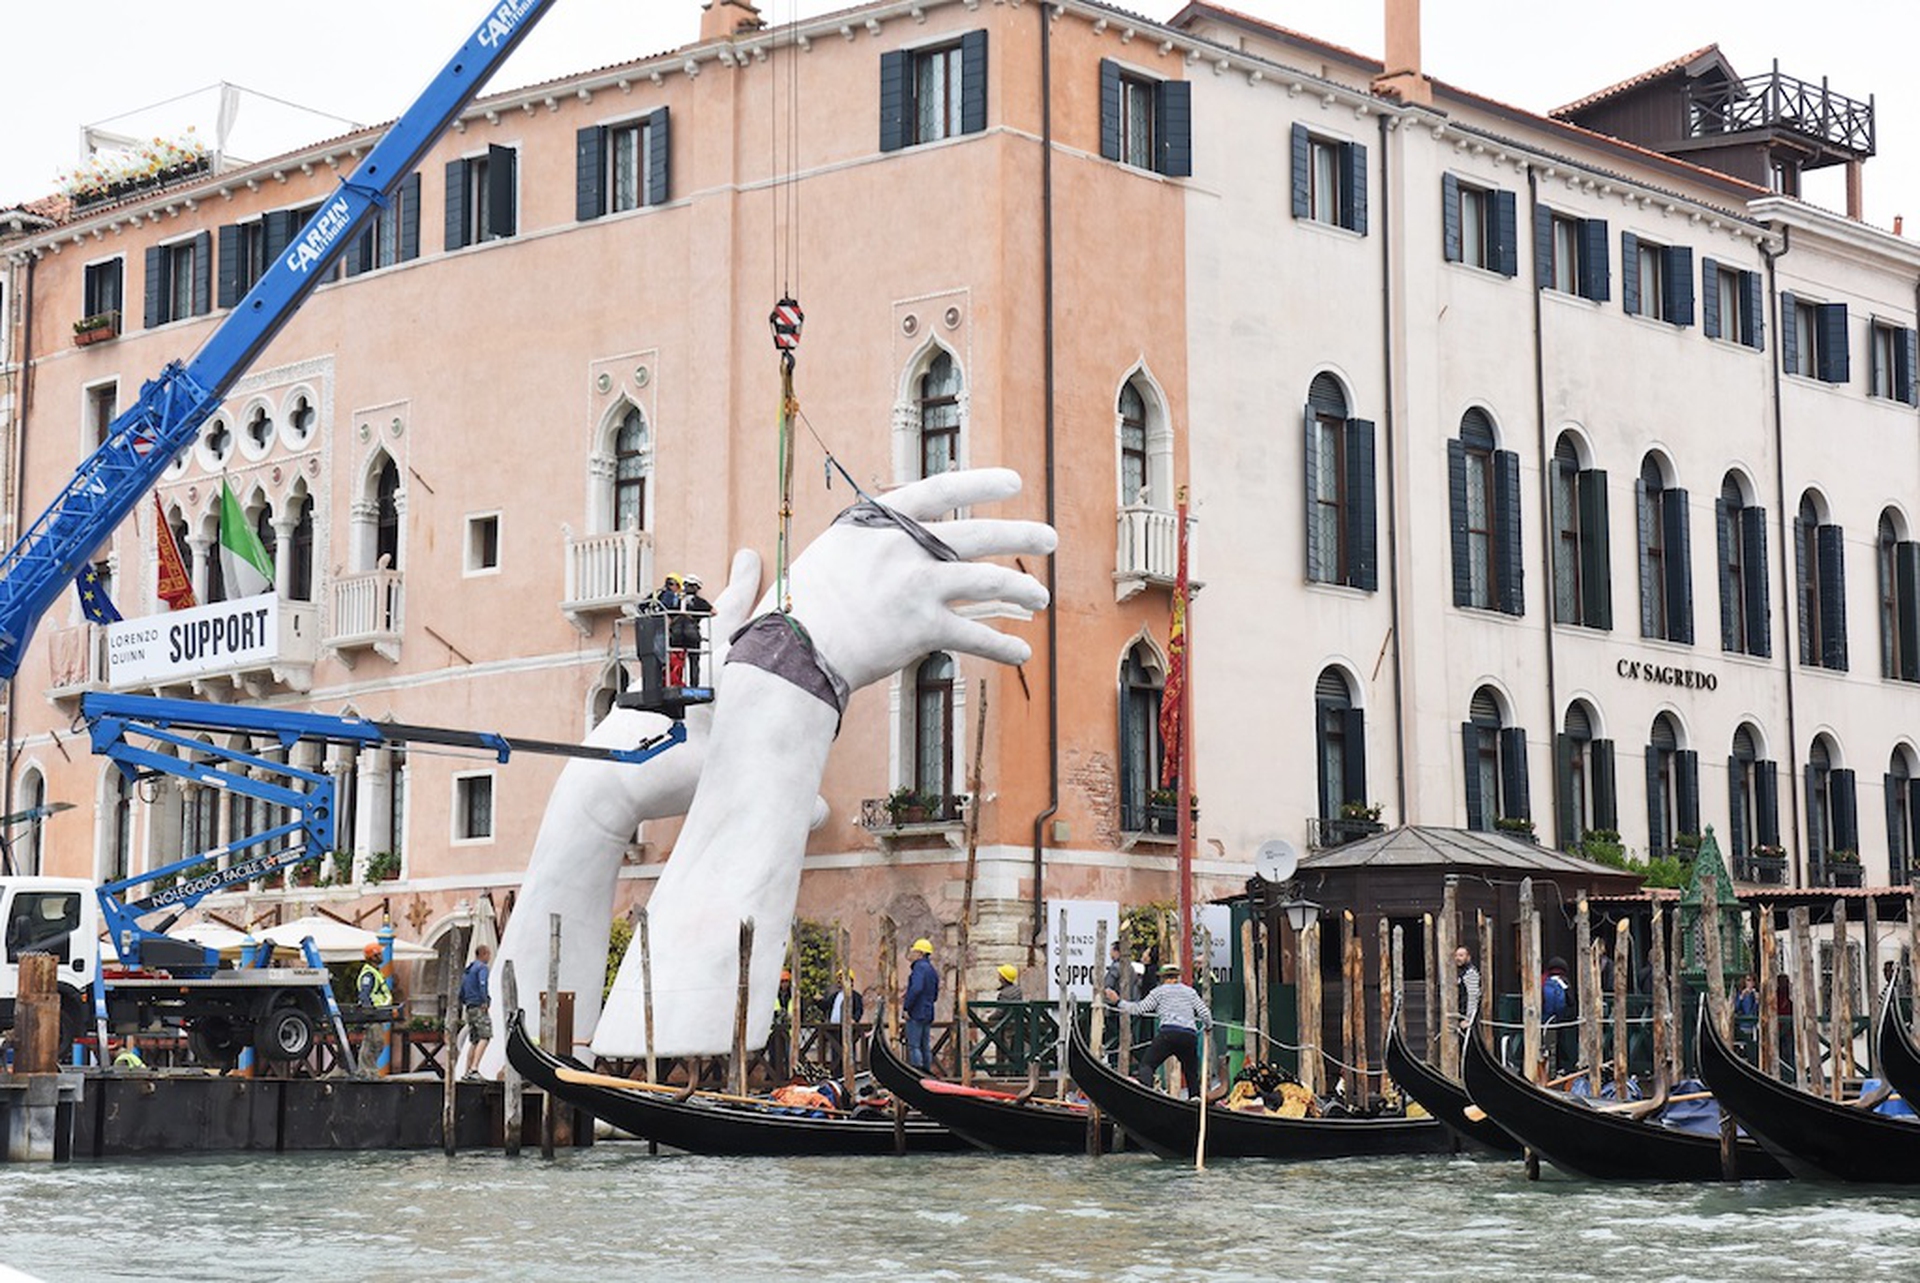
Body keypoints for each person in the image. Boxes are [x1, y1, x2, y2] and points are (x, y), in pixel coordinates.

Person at [1106, 962, 1212, 1098]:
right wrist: (1208, 1027)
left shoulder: (1159, 992)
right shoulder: (1190, 992)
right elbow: (1205, 1013)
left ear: (1163, 978)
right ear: (1177, 977)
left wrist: (1118, 1002)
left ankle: (1147, 1095)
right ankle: (1195, 1098)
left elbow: (1139, 1009)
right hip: (1188, 1035)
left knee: (1147, 1065)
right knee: (1191, 1071)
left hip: (1168, 1033)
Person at [358, 941, 396, 1077]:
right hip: (373, 1014)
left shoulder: (375, 972)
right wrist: (368, 1010)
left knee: (376, 1042)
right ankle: (367, 1071)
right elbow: (365, 994)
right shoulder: (369, 974)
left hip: (379, 1014)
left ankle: (368, 1070)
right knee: (374, 1042)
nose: (381, 956)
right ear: (372, 957)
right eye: (378, 954)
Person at [903, 938, 939, 1070]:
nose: (911, 954)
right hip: (928, 1011)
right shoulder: (932, 970)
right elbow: (934, 994)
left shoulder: (919, 968)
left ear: (920, 953)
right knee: (925, 1046)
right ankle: (927, 1071)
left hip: (916, 1012)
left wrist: (907, 1007)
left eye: (914, 951)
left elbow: (916, 988)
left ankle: (917, 1072)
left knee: (914, 1046)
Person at [459, 944, 492, 1081]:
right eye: (488, 954)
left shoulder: (468, 970)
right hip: (478, 1005)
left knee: (474, 1040)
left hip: (469, 1007)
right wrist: (485, 1001)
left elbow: (461, 990)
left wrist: (465, 1002)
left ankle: (467, 1070)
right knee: (485, 1036)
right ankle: (474, 1069)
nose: (489, 957)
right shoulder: (481, 968)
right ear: (483, 954)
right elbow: (482, 984)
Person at [675, 574, 714, 686]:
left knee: (678, 661)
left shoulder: (677, 599)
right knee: (694, 661)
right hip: (692, 634)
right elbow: (714, 612)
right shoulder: (698, 601)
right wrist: (699, 616)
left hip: (677, 635)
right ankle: (694, 685)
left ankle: (677, 683)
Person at [1455, 946, 1482, 1042]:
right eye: (1456, 955)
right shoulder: (1461, 973)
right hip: (1460, 1016)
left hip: (1467, 1020)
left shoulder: (1470, 973)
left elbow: (1473, 996)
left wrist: (1468, 1019)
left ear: (1468, 957)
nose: (1458, 958)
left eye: (1461, 955)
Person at [1733, 972, 1761, 1051]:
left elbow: (1755, 1011)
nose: (1750, 983)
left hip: (1754, 1025)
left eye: (1753, 981)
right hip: (1743, 1024)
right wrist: (1741, 997)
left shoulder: (1757, 994)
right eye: (1748, 980)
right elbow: (1736, 1008)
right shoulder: (1740, 994)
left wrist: (1757, 1002)